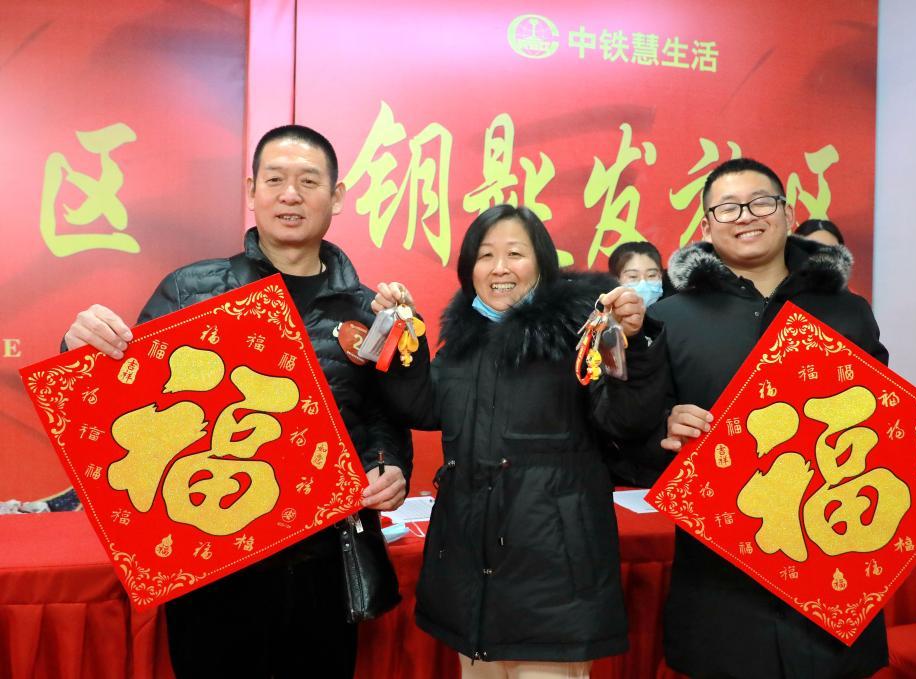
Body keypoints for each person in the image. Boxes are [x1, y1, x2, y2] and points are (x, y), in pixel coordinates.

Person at [62, 125, 412, 678]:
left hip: (322, 563)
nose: (290, 195)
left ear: (337, 196)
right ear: (252, 191)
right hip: (211, 563)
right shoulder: (190, 289)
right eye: (275, 180)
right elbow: (125, 399)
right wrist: (79, 345)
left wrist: (388, 465)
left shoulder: (368, 311)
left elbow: (381, 415)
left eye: (308, 182)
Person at [650, 158, 916, 678]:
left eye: (761, 202)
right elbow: (637, 437)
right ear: (706, 227)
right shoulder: (669, 318)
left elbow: (874, 414)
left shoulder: (847, 309)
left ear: (788, 213)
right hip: (723, 586)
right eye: (727, 208)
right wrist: (665, 425)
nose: (746, 216)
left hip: (832, 565)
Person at [372, 204, 668, 678]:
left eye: (515, 253)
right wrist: (403, 338)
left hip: (555, 579)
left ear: (542, 263)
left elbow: (625, 420)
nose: (499, 268)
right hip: (471, 577)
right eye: (485, 255)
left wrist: (634, 343)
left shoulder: (580, 333)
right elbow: (424, 407)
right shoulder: (466, 339)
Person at [607, 241, 669, 307]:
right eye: (633, 276)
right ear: (616, 279)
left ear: (661, 275)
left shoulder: (674, 307)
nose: (643, 285)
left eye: (651, 275)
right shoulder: (604, 310)